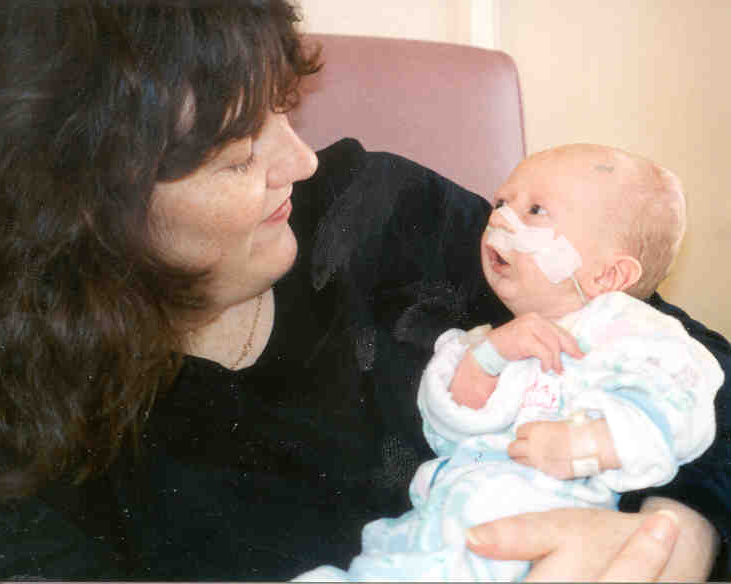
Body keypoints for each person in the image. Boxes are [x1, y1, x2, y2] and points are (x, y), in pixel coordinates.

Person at [0, 1, 728, 581]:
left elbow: (699, 372)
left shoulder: (382, 212)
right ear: (85, 207)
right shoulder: (21, 414)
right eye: (238, 154)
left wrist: (674, 538)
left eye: (282, 105)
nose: (301, 160)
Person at [295, 144, 723, 581]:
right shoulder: (491, 338)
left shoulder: (633, 335)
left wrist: (586, 445)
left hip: (538, 530)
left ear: (607, 276)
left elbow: (682, 407)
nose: (499, 218)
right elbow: (445, 428)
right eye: (501, 203)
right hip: (440, 522)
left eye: (536, 211)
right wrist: (488, 358)